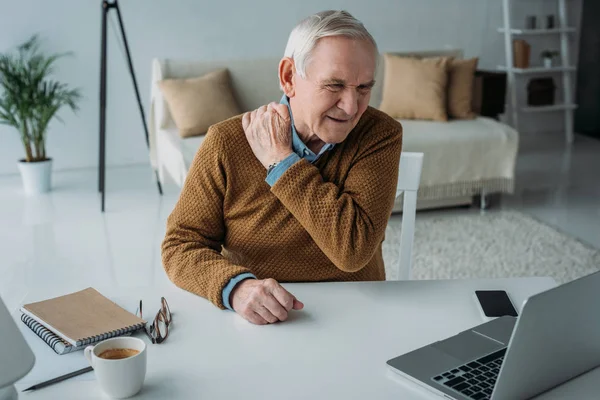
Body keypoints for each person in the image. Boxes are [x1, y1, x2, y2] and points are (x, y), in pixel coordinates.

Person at [162, 10, 403, 325]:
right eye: (334, 86)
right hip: (262, 319)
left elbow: (352, 250)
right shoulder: (225, 141)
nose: (351, 107)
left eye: (363, 89)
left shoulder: (379, 134)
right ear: (289, 77)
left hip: (358, 313)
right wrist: (236, 289)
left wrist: (281, 161)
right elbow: (180, 244)